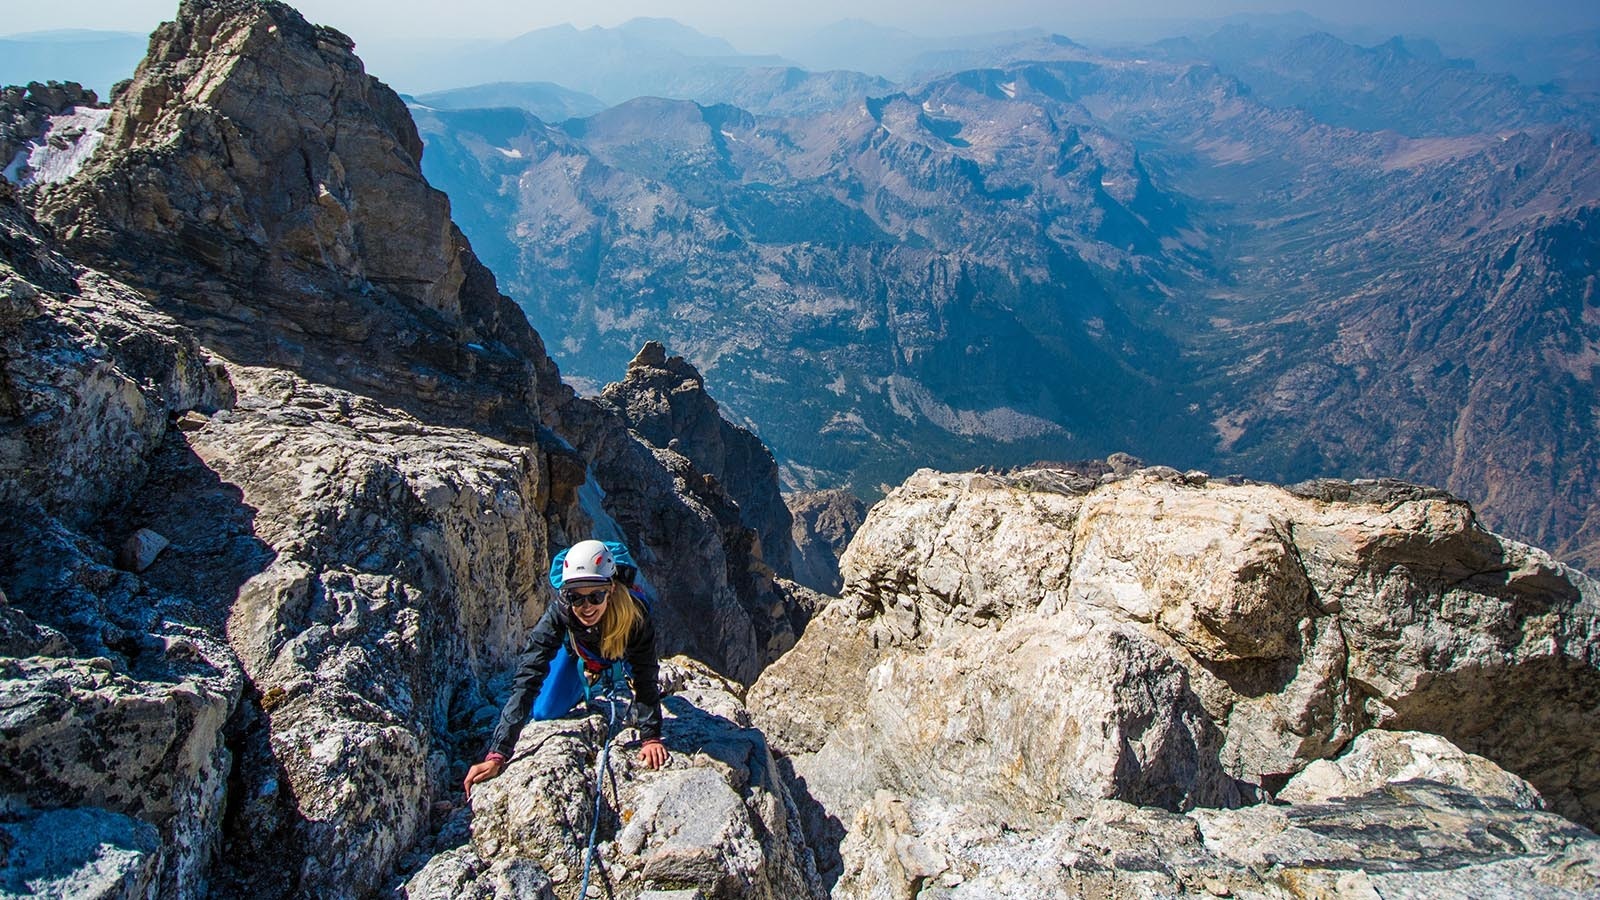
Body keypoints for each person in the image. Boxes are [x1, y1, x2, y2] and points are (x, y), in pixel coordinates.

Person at [463, 539, 668, 797]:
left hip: (623, 647)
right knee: (544, 710)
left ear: (611, 589)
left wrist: (650, 736)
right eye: (575, 597)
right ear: (564, 595)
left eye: (595, 595)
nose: (586, 607)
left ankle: (600, 675)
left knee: (633, 674)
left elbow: (645, 674)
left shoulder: (635, 616)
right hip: (581, 652)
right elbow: (528, 676)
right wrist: (498, 753)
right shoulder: (559, 614)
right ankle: (588, 680)